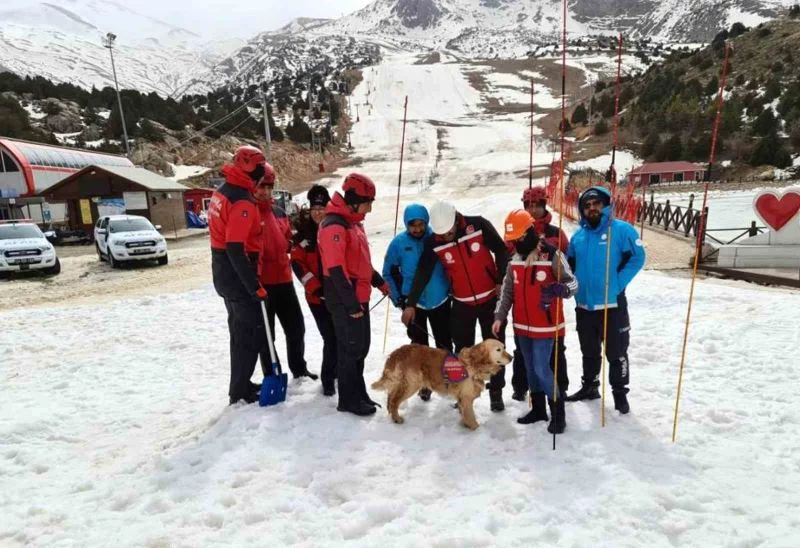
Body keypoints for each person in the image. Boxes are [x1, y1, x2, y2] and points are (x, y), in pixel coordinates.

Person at [403, 201, 509, 411]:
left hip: (490, 300)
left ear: (456, 218)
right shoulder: (434, 241)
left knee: (495, 350)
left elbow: (501, 250)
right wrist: (411, 303)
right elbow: (423, 272)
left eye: (450, 231)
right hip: (461, 304)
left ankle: (496, 393)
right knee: (462, 354)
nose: (447, 235)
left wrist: (500, 279)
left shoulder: (478, 225)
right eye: (443, 233)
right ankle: (462, 393)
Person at [492, 210, 578, 433]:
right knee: (530, 369)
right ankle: (538, 408)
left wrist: (562, 289)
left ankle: (558, 412)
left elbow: (574, 283)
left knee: (542, 368)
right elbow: (507, 293)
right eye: (514, 240)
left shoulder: (551, 255)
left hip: (546, 326)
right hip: (521, 326)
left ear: (531, 232)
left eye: (521, 238)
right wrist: (499, 316)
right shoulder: (515, 261)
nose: (518, 243)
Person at [564, 186, 646, 414]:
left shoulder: (622, 230)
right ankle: (590, 386)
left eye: (596, 204)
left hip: (612, 306)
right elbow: (569, 267)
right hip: (584, 306)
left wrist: (618, 284)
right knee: (589, 351)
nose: (592, 208)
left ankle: (620, 393)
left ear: (606, 205)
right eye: (587, 206)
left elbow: (638, 258)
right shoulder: (578, 237)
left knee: (617, 352)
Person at [318, 173, 391, 416]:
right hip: (344, 298)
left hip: (359, 296)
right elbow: (336, 269)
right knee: (350, 349)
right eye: (368, 202)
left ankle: (358, 393)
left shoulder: (353, 222)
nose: (370, 208)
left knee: (361, 348)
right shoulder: (334, 226)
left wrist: (379, 282)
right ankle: (347, 400)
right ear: (353, 199)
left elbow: (359, 263)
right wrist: (351, 305)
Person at [208, 145, 268, 405]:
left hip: (221, 269)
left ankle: (240, 382)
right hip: (236, 271)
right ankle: (240, 390)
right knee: (249, 333)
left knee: (238, 331)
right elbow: (235, 247)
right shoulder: (241, 200)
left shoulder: (222, 191)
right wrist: (253, 286)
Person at [383, 203, 452, 401]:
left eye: (421, 224)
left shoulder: (437, 238)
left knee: (444, 343)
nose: (417, 229)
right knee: (420, 347)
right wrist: (399, 299)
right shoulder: (398, 243)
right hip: (414, 306)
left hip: (440, 300)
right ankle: (425, 382)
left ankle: (448, 379)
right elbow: (389, 272)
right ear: (406, 225)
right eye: (412, 225)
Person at [255, 167, 318, 382]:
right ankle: (272, 374)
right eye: (261, 186)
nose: (265, 191)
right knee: (267, 335)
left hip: (284, 280)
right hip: (261, 283)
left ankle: (299, 368)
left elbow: (286, 241)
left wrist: (296, 242)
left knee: (296, 328)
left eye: (269, 186)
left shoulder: (279, 212)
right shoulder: (249, 212)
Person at [510, 186, 572, 401]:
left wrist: (562, 288)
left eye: (537, 205)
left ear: (544, 205)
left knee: (555, 352)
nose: (533, 209)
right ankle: (521, 387)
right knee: (523, 352)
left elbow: (568, 265)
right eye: (528, 205)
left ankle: (559, 389)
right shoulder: (516, 230)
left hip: (548, 308)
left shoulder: (556, 234)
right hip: (524, 309)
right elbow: (508, 263)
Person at [291, 185, 337, 396]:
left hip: (337, 296)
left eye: (322, 207)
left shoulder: (335, 229)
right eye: (315, 208)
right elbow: (298, 265)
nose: (318, 212)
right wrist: (315, 288)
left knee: (339, 336)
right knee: (330, 337)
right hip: (317, 298)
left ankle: (337, 372)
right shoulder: (303, 236)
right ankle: (328, 380)